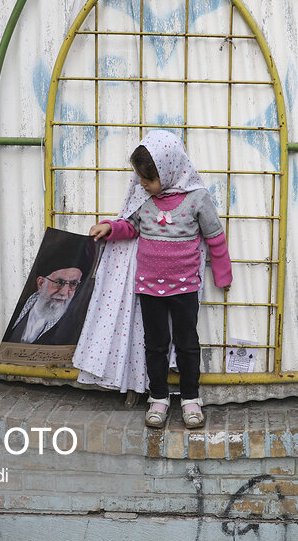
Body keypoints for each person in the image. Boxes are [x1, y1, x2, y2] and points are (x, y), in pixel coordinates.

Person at [79, 131, 231, 429]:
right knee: (155, 344)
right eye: (140, 178)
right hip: (148, 287)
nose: (142, 184)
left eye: (148, 179)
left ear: (170, 170)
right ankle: (158, 397)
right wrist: (110, 227)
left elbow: (215, 236)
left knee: (187, 344)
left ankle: (190, 398)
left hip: (185, 287)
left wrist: (223, 273)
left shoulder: (197, 198)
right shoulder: (145, 199)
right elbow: (131, 227)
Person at [2, 248, 92, 346]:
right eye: (59, 282)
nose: (64, 292)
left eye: (73, 283)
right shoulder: (11, 309)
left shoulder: (77, 323)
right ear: (41, 283)